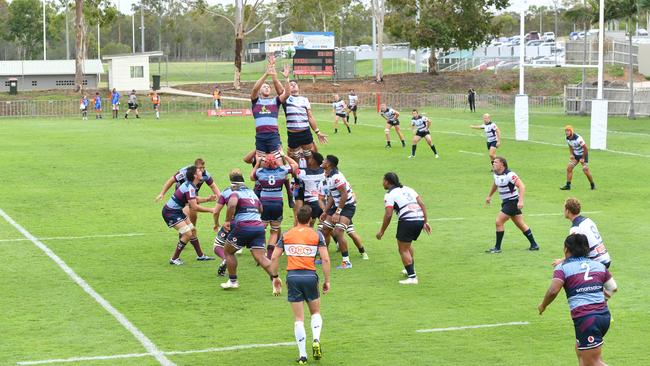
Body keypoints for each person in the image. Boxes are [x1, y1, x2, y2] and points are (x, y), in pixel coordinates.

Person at [538, 233, 617, 366]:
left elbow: (553, 291)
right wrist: (601, 301)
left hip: (587, 319)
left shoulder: (562, 268)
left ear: (566, 249)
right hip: (604, 316)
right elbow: (612, 287)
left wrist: (543, 305)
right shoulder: (599, 266)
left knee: (592, 362)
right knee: (581, 353)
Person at [270, 205, 331, 365]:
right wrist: (327, 280)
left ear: (296, 218)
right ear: (311, 219)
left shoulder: (287, 235)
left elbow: (274, 258)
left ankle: (303, 356)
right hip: (310, 276)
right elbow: (325, 259)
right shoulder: (317, 234)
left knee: (299, 318)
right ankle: (316, 339)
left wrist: (275, 277)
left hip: (293, 277)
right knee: (315, 312)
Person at [220, 171, 277, 289]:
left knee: (228, 251)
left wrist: (227, 220)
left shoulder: (235, 193)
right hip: (259, 227)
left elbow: (231, 205)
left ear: (234, 185)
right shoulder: (252, 193)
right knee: (261, 257)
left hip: (244, 226)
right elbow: (261, 209)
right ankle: (275, 279)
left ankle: (233, 281)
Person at [156, 158, 221, 260]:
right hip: (170, 213)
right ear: (195, 175)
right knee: (188, 233)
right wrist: (211, 210)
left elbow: (194, 199)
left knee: (192, 230)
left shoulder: (191, 186)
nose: (202, 171)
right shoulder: (189, 186)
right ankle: (174, 259)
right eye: (199, 170)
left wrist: (208, 199)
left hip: (177, 211)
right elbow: (194, 206)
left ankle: (200, 256)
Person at [376, 172, 431, 285]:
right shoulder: (408, 189)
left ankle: (412, 278)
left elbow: (388, 214)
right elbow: (422, 204)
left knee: (403, 249)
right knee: (407, 245)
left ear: (387, 181)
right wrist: (425, 221)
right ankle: (410, 269)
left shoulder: (389, 195)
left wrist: (382, 231)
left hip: (407, 220)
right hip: (419, 218)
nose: (382, 183)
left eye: (383, 180)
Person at [250, 152, 300, 260]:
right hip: (277, 203)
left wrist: (257, 163)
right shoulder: (282, 171)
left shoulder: (260, 172)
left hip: (264, 203)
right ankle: (269, 256)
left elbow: (251, 177)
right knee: (274, 231)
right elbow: (295, 166)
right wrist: (284, 156)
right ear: (276, 162)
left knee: (261, 229)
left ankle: (260, 254)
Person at [485, 157, 540, 253]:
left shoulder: (510, 175)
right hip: (506, 202)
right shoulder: (496, 174)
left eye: (496, 162)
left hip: (512, 202)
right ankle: (534, 245)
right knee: (520, 224)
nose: (493, 163)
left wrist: (521, 201)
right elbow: (495, 184)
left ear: (502, 164)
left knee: (498, 222)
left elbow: (522, 186)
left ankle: (497, 248)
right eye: (493, 162)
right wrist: (489, 196)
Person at [271, 72, 328, 160]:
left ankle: (309, 173)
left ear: (298, 87)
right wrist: (279, 75)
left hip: (305, 132)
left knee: (310, 156)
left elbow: (310, 117)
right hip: (293, 134)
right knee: (295, 158)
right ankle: (296, 174)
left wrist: (318, 132)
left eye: (295, 84)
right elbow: (276, 84)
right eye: (291, 85)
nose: (293, 85)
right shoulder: (286, 98)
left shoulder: (304, 100)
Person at [320, 155, 359, 269]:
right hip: (337, 205)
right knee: (324, 229)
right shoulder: (328, 175)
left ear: (329, 164)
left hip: (347, 206)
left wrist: (337, 212)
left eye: (325, 160)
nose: (323, 161)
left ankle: (346, 262)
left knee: (338, 232)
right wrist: (325, 211)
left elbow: (344, 195)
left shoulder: (336, 177)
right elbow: (332, 195)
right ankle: (323, 257)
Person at [251, 57, 291, 160]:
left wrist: (286, 79)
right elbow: (255, 89)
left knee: (279, 160)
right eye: (264, 86)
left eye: (268, 87)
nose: (267, 87)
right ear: (260, 90)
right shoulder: (256, 101)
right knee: (261, 162)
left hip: (273, 136)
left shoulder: (275, 101)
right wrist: (266, 74)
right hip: (260, 136)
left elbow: (286, 94)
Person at [553, 198, 611, 268]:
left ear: (567, 211)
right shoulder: (588, 220)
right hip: (605, 257)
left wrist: (561, 261)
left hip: (596, 261)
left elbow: (575, 252)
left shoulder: (576, 228)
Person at [561, 125, 596, 190]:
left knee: (585, 170)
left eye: (568, 131)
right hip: (576, 155)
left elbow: (585, 148)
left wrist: (582, 158)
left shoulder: (578, 138)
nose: (566, 132)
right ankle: (568, 186)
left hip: (583, 154)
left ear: (571, 131)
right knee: (569, 168)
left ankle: (593, 185)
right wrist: (571, 154)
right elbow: (570, 146)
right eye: (566, 131)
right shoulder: (567, 138)